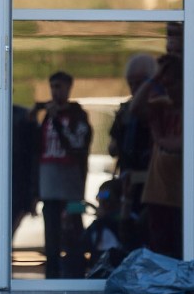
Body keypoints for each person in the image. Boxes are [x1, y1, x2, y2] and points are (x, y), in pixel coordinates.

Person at [29, 71, 92, 278]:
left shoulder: (76, 116)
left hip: (71, 184)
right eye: (53, 87)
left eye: (60, 87)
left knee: (73, 229)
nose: (56, 92)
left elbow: (77, 145)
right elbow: (38, 148)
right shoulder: (47, 115)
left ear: (68, 88)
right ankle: (52, 272)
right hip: (48, 183)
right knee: (52, 232)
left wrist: (57, 120)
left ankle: (76, 271)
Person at [133, 53, 183, 259]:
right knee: (160, 254)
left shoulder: (187, 109)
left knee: (180, 251)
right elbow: (135, 107)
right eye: (164, 84)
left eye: (171, 84)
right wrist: (152, 79)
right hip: (157, 194)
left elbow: (179, 145)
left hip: (180, 196)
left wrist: (159, 139)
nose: (168, 89)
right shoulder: (162, 104)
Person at [107, 53, 157, 251]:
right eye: (131, 83)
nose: (135, 89)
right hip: (129, 181)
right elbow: (112, 147)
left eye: (140, 83)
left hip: (152, 184)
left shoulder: (159, 108)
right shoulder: (126, 110)